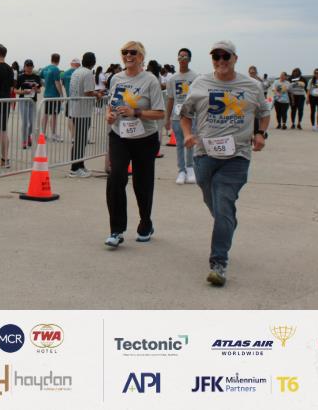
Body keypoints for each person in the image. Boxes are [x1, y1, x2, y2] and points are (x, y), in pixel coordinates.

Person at [180, 40, 271, 287]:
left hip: (237, 157)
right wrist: (187, 134)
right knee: (216, 206)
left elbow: (264, 113)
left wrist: (261, 134)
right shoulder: (200, 83)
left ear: (235, 58)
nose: (221, 61)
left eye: (225, 56)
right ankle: (227, 221)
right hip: (204, 155)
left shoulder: (251, 86)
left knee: (222, 203)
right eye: (216, 57)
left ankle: (218, 264)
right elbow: (185, 114)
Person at [103, 41, 166, 247]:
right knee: (116, 177)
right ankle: (116, 230)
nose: (128, 56)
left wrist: (135, 112)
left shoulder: (150, 80)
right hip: (119, 136)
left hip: (145, 139)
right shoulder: (116, 78)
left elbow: (160, 113)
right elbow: (111, 105)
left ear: (141, 57)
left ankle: (145, 223)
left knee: (142, 184)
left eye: (133, 52)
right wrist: (109, 116)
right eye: (125, 52)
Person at [165, 48, 198, 185]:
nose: (182, 59)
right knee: (179, 144)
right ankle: (181, 170)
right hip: (177, 116)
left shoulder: (195, 77)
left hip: (191, 115)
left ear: (189, 59)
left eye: (185, 57)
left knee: (190, 142)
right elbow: (170, 99)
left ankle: (190, 168)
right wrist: (167, 118)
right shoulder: (173, 79)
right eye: (180, 56)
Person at [67, 52, 101, 178]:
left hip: (75, 109)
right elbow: (88, 92)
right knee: (81, 141)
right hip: (83, 111)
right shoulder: (88, 73)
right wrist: (97, 94)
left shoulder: (77, 71)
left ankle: (80, 165)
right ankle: (75, 168)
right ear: (93, 62)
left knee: (79, 140)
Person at [16, 59, 42, 149]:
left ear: (33, 67)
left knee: (31, 122)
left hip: (32, 101)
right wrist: (23, 92)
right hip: (23, 101)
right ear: (24, 67)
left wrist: (35, 89)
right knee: (25, 122)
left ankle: (28, 136)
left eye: (31, 66)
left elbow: (39, 90)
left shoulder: (36, 77)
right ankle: (24, 141)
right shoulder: (20, 77)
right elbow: (15, 90)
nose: (29, 68)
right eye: (27, 66)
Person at [39, 54, 65, 142]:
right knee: (54, 115)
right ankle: (53, 134)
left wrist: (45, 85)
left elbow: (39, 78)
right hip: (54, 95)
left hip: (47, 95)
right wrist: (61, 94)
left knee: (46, 114)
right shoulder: (56, 69)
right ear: (58, 60)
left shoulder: (45, 68)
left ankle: (43, 133)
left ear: (51, 59)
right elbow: (57, 83)